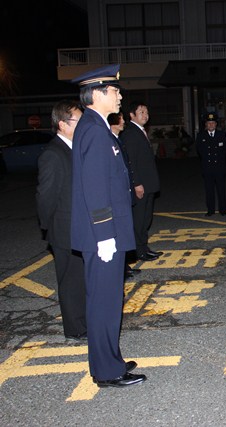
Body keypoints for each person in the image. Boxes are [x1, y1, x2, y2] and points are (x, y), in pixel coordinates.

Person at [70, 64, 145, 387]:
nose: (120, 95)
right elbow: (95, 187)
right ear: (98, 94)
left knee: (110, 301)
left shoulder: (96, 127)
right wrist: (104, 237)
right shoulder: (94, 131)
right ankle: (106, 371)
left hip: (107, 233)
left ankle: (110, 359)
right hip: (103, 236)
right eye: (115, 91)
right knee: (103, 303)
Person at [36, 100, 87, 342]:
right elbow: (45, 196)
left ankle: (83, 320)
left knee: (81, 277)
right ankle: (75, 328)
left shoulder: (73, 148)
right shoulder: (53, 154)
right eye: (79, 120)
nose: (83, 124)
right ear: (62, 124)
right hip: (64, 227)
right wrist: (49, 227)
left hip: (79, 226)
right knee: (70, 279)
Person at [120, 101, 163, 261]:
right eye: (141, 112)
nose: (145, 115)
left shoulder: (140, 131)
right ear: (132, 115)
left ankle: (144, 247)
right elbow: (130, 161)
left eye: (146, 112)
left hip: (148, 183)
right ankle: (139, 250)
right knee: (139, 220)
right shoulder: (131, 133)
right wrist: (136, 183)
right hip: (141, 185)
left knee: (146, 219)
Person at [108, 112, 140, 279]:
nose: (123, 121)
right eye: (120, 118)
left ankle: (124, 266)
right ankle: (122, 268)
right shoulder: (109, 139)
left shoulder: (118, 139)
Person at [196, 113, 226, 216]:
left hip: (219, 167)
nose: (211, 125)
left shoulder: (221, 135)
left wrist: (221, 164)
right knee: (209, 191)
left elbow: (225, 151)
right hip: (207, 168)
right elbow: (200, 150)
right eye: (209, 123)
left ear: (216, 124)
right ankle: (210, 210)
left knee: (221, 190)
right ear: (206, 124)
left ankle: (222, 210)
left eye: (213, 123)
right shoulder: (201, 136)